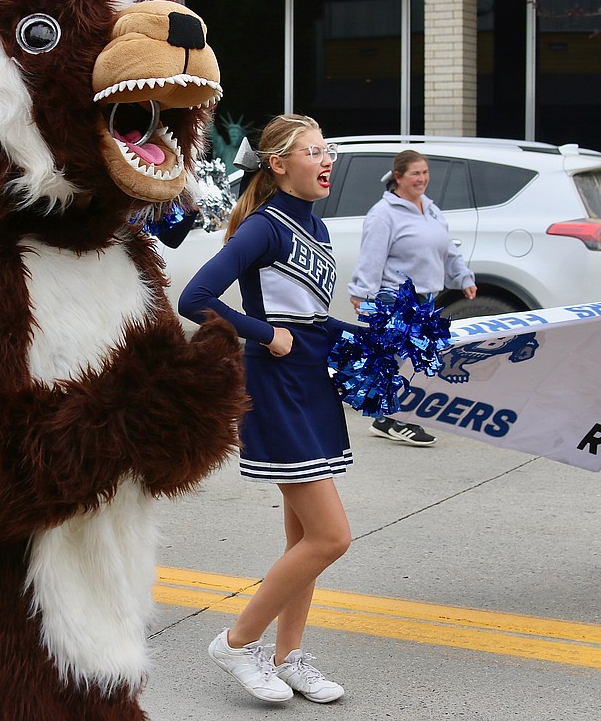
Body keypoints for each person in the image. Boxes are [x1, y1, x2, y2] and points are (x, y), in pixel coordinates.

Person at [180, 114, 351, 705]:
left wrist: (369, 341)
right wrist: (262, 333)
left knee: (304, 537)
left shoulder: (317, 231)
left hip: (313, 384)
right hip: (276, 385)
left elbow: (314, 318)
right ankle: (236, 642)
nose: (327, 161)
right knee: (331, 537)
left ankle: (287, 655)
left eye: (327, 150)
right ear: (278, 165)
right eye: (313, 152)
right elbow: (195, 298)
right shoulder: (264, 228)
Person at [347, 150, 476, 446]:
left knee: (413, 359)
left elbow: (447, 248)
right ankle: (398, 420)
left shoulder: (429, 208)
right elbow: (371, 256)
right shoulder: (384, 214)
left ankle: (388, 419)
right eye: (415, 173)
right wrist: (362, 296)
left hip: (426, 296)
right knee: (410, 360)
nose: (422, 179)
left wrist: (463, 277)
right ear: (398, 177)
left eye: (425, 172)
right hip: (396, 298)